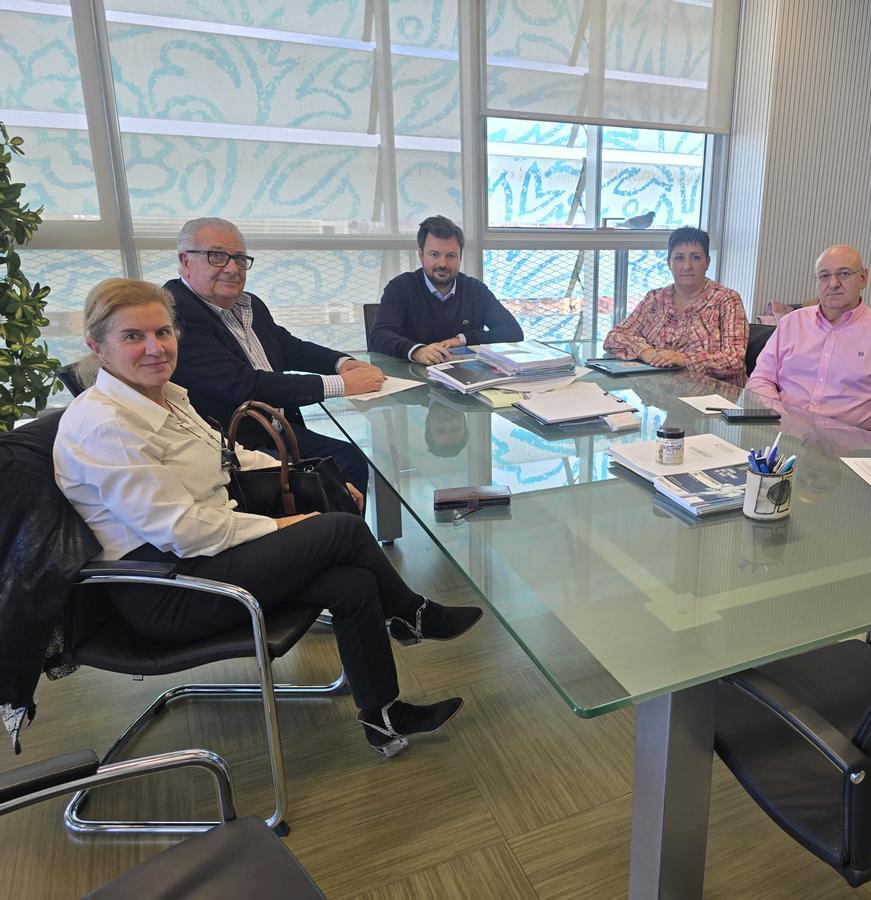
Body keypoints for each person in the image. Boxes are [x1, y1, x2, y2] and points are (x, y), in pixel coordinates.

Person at [53, 279, 483, 758]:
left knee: (352, 584)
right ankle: (411, 613)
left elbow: (228, 455)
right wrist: (283, 525)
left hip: (208, 556)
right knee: (339, 527)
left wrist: (304, 475)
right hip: (168, 588)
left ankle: (385, 716)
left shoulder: (166, 394)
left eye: (163, 332)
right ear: (97, 347)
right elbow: (183, 532)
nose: (155, 348)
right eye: (133, 336)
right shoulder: (105, 425)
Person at [166, 217, 380, 494]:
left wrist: (342, 363)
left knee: (347, 459)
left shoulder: (248, 303)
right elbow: (245, 385)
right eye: (217, 256)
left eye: (240, 258)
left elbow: (287, 346)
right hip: (231, 446)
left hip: (276, 431)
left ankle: (345, 536)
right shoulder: (174, 311)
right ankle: (330, 533)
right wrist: (342, 386)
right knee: (327, 477)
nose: (232, 268)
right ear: (186, 261)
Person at [744, 244, 871, 441]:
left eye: (844, 274)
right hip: (784, 441)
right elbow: (760, 379)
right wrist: (780, 417)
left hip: (849, 451)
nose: (833, 283)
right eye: (824, 276)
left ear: (863, 278)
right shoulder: (791, 324)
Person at [369, 215, 523, 364]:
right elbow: (379, 337)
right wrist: (417, 351)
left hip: (466, 378)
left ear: (460, 257)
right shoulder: (400, 288)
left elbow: (513, 332)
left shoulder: (476, 290)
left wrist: (462, 340)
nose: (442, 263)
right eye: (434, 254)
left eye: (451, 256)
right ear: (421, 255)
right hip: (413, 378)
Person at [602, 226, 748, 382]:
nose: (687, 266)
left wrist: (684, 359)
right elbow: (615, 337)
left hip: (716, 397)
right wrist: (645, 352)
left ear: (707, 262)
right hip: (663, 393)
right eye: (679, 258)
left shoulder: (727, 300)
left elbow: (734, 359)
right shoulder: (655, 299)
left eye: (696, 257)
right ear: (668, 263)